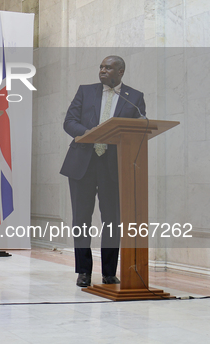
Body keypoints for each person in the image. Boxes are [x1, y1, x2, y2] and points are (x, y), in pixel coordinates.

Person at [60, 55, 146, 287]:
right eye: (101, 67)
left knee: (112, 221)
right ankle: (83, 271)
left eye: (108, 68)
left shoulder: (134, 98)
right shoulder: (85, 91)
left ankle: (109, 272)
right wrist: (91, 132)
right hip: (82, 164)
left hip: (114, 166)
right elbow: (69, 121)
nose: (103, 71)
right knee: (81, 219)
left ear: (121, 72)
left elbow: (140, 127)